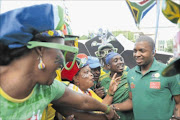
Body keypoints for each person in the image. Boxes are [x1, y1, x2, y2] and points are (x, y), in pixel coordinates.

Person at [0, 4, 119, 120]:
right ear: (40, 50)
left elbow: (83, 101)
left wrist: (107, 111)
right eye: (61, 51)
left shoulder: (47, 88)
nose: (63, 62)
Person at [112, 35, 180, 120]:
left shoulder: (168, 72)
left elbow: (178, 102)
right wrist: (111, 107)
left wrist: (177, 117)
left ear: (153, 52)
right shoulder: (131, 74)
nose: (137, 54)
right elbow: (131, 101)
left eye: (142, 51)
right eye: (135, 51)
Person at [100, 52, 134, 120]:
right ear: (108, 66)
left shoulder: (131, 76)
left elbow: (133, 100)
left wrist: (113, 106)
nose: (120, 62)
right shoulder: (103, 81)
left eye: (121, 59)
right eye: (116, 61)